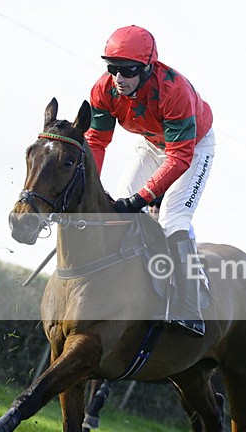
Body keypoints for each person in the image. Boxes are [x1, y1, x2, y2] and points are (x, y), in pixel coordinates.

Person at [84, 25, 214, 337]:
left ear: (147, 68)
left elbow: (180, 157)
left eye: (128, 71)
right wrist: (87, 190)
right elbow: (96, 143)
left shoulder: (173, 91)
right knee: (116, 212)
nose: (119, 79)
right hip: (150, 143)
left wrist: (144, 196)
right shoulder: (104, 90)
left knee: (172, 219)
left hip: (193, 147)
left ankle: (191, 303)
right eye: (112, 69)